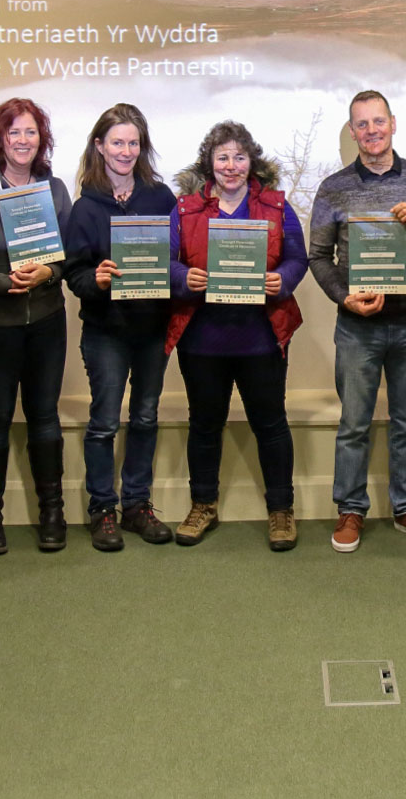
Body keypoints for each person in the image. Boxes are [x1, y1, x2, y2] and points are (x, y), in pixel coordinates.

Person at [306, 90, 406, 552]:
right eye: (362, 124)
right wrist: (344, 298)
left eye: (378, 121)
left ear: (394, 123)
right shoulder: (333, 188)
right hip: (358, 327)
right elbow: (319, 256)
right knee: (354, 424)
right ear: (352, 132)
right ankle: (350, 509)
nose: (371, 131)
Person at [166, 121, 308, 551]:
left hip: (261, 338)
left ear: (252, 162)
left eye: (239, 157)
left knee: (271, 425)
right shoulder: (186, 209)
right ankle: (202, 505)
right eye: (223, 157)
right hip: (202, 340)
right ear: (210, 162)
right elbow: (165, 261)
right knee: (204, 425)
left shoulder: (276, 208)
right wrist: (182, 277)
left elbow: (297, 259)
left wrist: (280, 281)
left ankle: (281, 510)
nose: (231, 166)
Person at [0, 98, 74, 555]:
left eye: (31, 132)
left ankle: (52, 512)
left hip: (45, 319)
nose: (23, 141)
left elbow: (69, 252)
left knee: (45, 417)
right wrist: (4, 282)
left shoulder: (54, 187)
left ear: (41, 138)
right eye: (13, 133)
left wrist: (49, 273)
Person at [62, 104, 180, 550]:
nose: (126, 151)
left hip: (152, 328)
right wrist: (96, 279)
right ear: (99, 146)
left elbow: (177, 260)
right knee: (104, 423)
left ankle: (136, 505)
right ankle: (102, 510)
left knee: (146, 418)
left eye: (133, 142)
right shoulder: (85, 206)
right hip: (106, 330)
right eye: (117, 142)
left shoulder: (161, 198)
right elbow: (74, 275)